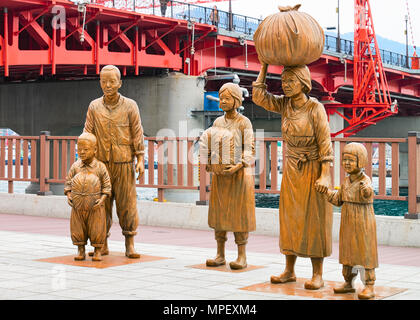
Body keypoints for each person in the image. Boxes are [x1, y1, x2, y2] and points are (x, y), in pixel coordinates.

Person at [252, 63, 333, 290]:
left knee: (314, 219)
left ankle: (318, 273)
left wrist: (325, 175)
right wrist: (265, 65)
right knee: (289, 218)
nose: (286, 86)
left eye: (291, 81)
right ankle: (289, 269)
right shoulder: (285, 104)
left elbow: (325, 143)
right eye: (284, 82)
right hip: (291, 168)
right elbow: (259, 96)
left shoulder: (315, 108)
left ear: (303, 83)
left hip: (313, 168)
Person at [83, 65, 145, 259]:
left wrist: (140, 158)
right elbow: (87, 133)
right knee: (101, 205)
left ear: (120, 83)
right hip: (100, 165)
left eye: (111, 81)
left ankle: (130, 243)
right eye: (103, 81)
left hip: (124, 162)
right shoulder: (94, 106)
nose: (107, 85)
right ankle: (102, 243)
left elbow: (137, 133)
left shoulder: (130, 106)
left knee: (127, 204)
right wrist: (84, 161)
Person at [201, 82, 256, 270]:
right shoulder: (217, 122)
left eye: (227, 98)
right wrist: (209, 162)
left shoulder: (244, 122)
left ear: (237, 100)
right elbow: (211, 145)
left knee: (239, 214)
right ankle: (220, 253)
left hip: (239, 175)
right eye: (221, 98)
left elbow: (250, 148)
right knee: (219, 212)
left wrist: (239, 164)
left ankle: (242, 256)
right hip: (221, 175)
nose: (223, 102)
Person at [320, 143, 378, 300]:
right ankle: (348, 282)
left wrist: (366, 191)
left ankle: (369, 285)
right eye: (345, 159)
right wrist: (326, 192)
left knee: (364, 252)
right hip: (347, 222)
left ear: (361, 161)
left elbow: (368, 192)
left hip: (363, 221)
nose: (346, 163)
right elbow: (338, 200)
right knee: (348, 252)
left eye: (351, 160)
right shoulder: (346, 181)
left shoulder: (365, 181)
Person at [65, 132, 111, 262]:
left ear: (95, 150)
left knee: (97, 228)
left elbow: (107, 187)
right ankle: (80, 250)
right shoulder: (75, 166)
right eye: (79, 149)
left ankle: (97, 251)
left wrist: (102, 200)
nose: (82, 152)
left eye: (86, 149)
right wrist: (69, 195)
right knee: (77, 228)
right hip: (78, 205)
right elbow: (68, 183)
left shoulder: (100, 167)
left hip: (95, 206)